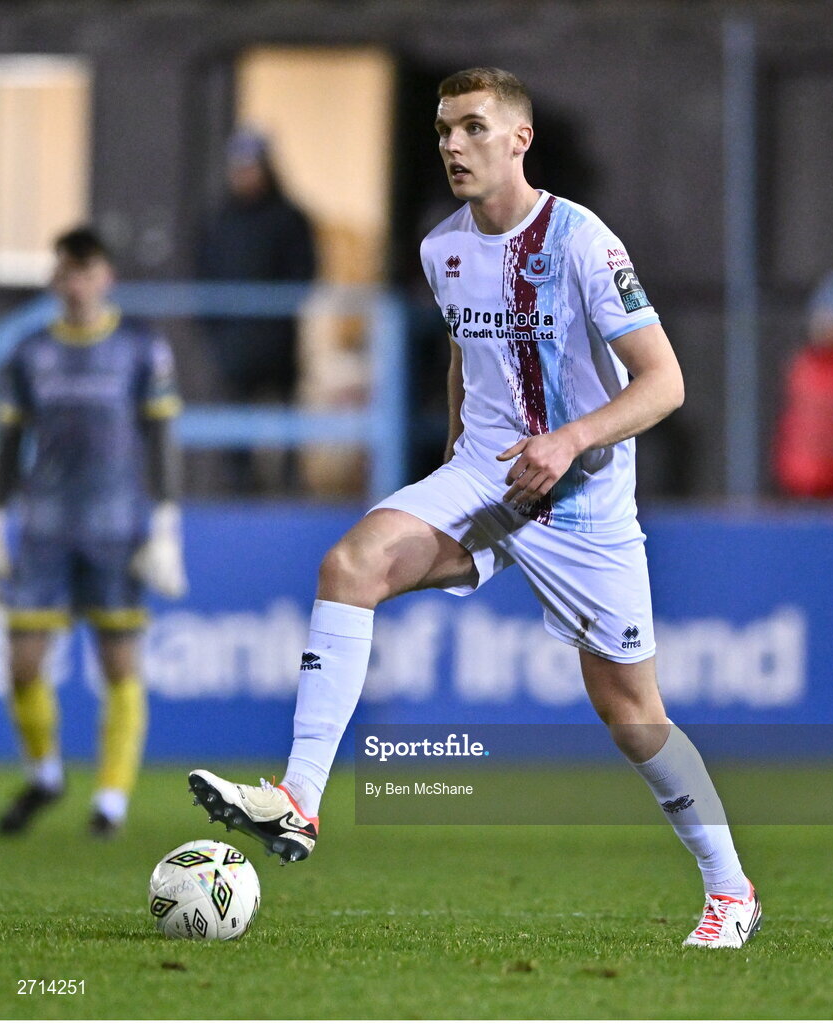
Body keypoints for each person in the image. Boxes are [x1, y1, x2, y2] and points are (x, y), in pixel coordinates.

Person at [189, 68, 761, 948]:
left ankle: (730, 891)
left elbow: (666, 383)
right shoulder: (441, 249)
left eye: (472, 128)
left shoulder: (581, 241)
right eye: (442, 130)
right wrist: (457, 460)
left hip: (582, 503)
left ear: (517, 140)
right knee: (350, 565)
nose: (453, 145)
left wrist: (568, 442)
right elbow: (467, 353)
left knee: (630, 714)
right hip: (483, 477)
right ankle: (298, 800)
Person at [0, 226, 187, 837]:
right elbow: (10, 444)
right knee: (21, 664)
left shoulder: (141, 348)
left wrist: (167, 522)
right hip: (43, 526)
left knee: (119, 664)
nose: (76, 283)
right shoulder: (29, 353)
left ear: (107, 277)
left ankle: (111, 802)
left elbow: (162, 437)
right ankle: (45, 773)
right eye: (67, 272)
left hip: (116, 526)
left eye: (87, 271)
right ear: (54, 279)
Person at [197, 128, 316, 493]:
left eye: (253, 166)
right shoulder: (219, 221)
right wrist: (217, 328)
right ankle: (239, 484)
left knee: (286, 419)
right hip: (234, 345)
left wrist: (277, 315)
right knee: (235, 422)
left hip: (277, 343)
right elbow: (203, 275)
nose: (247, 175)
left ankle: (288, 484)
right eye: (240, 167)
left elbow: (305, 272)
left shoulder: (289, 218)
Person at [774, 267, 833, 498]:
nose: (823, 326)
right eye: (819, 317)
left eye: (832, 318)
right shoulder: (801, 365)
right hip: (797, 489)